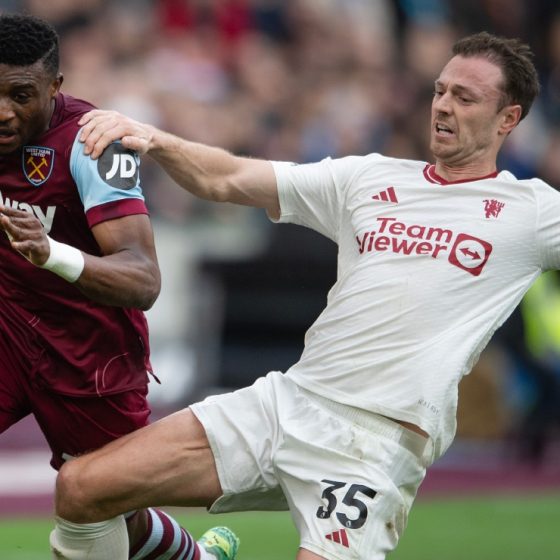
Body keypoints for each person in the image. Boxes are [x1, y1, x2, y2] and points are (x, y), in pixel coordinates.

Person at [53, 31, 550, 560]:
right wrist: (153, 138)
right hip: (290, 403)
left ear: (508, 119)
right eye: (440, 90)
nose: (444, 106)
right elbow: (229, 178)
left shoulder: (532, 211)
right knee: (81, 488)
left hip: (374, 446)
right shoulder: (368, 177)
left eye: (465, 97)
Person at [0, 13, 238, 560]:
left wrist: (51, 253)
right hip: (9, 333)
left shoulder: (94, 144)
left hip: (89, 353)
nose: (3, 111)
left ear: (55, 87)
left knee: (104, 508)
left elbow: (143, 278)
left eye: (20, 95)